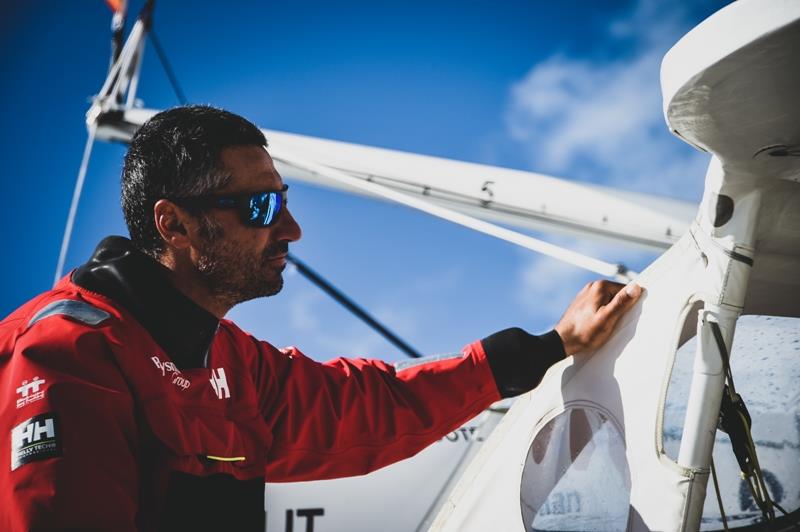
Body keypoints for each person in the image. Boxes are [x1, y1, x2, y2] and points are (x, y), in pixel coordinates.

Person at [0, 105, 642, 531]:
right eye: (258, 208)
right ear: (175, 223)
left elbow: (372, 405)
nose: (291, 229)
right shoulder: (65, 354)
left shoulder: (226, 360)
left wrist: (552, 345)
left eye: (283, 201)